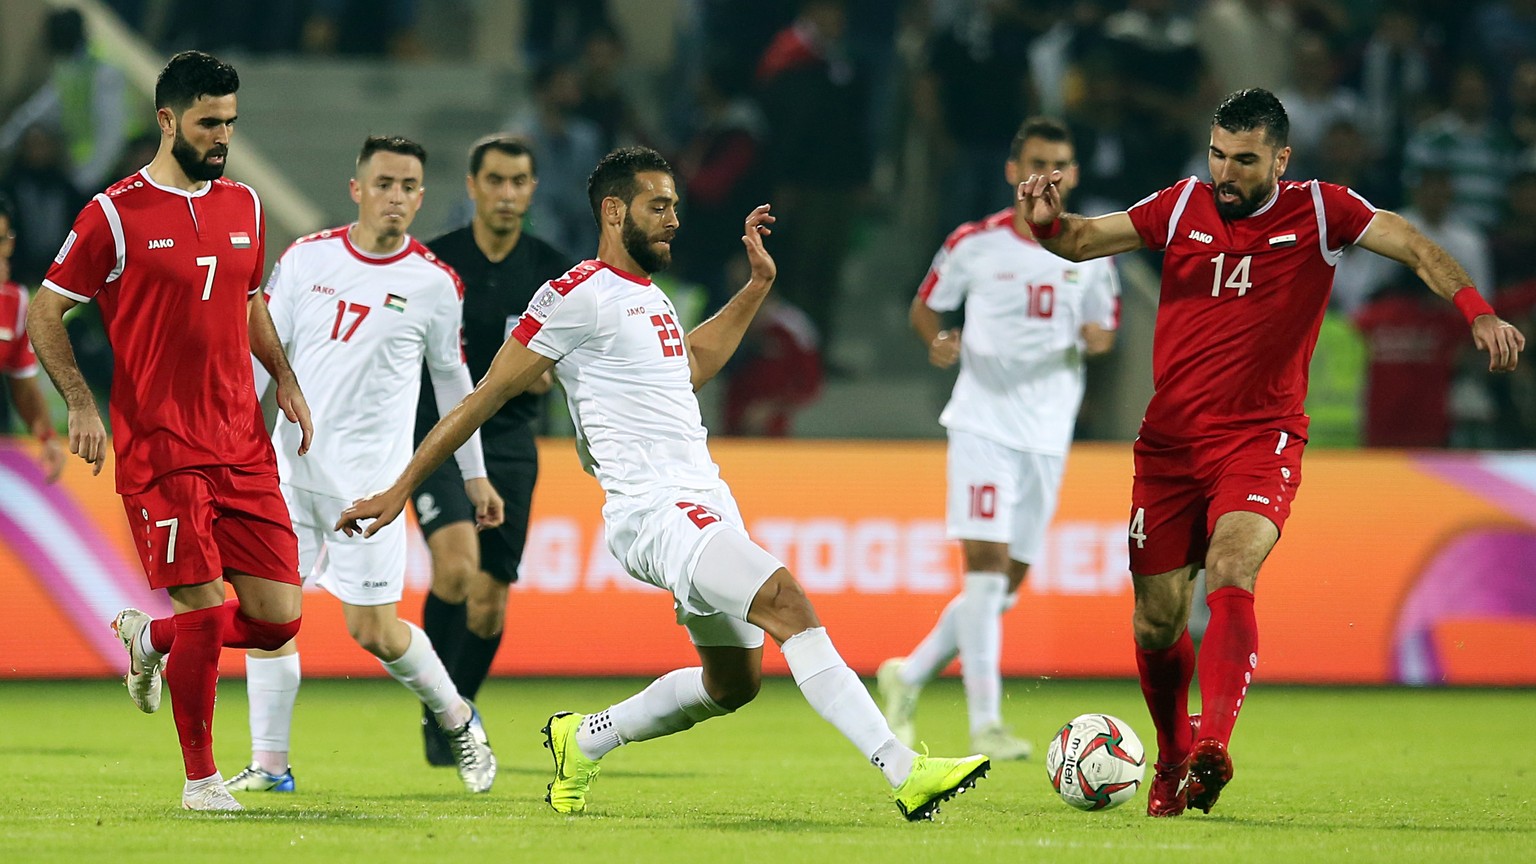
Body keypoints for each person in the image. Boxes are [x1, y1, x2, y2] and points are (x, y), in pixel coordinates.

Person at [337, 146, 990, 822]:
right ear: (614, 211)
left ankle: (584, 738)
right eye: (659, 205)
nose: (675, 218)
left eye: (675, 204)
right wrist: (398, 488)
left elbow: (691, 367)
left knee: (733, 685)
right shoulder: (574, 294)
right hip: (654, 511)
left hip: (704, 501)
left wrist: (756, 286)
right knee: (788, 601)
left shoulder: (649, 299)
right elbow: (478, 399)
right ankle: (904, 770)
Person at [1015, 88, 1526, 818]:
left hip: (1261, 438)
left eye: (1245, 160)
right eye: (1219, 154)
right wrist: (1044, 225)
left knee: (1231, 567)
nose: (1226, 172)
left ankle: (1213, 746)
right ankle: (1171, 756)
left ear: (1281, 159)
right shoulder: (1181, 204)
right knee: (1156, 623)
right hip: (1168, 447)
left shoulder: (1323, 210)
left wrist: (1475, 310)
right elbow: (1079, 240)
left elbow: (1414, 243)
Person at [27, 51, 314, 812]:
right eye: (208, 122)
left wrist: (283, 377)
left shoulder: (246, 206)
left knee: (278, 619)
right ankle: (201, 782)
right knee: (205, 610)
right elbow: (44, 311)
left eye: (230, 123)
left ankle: (147, 639)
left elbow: (250, 299)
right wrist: (82, 406)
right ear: (167, 119)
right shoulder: (115, 214)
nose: (222, 136)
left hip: (242, 443)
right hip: (162, 449)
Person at [227, 136, 501, 796]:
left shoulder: (434, 284)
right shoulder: (307, 259)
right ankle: (270, 764)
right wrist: (239, 444)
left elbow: (453, 385)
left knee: (373, 632)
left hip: (371, 492)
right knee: (270, 617)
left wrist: (474, 474)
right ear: (357, 190)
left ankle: (458, 717)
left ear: (421, 197)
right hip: (289, 479)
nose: (396, 197)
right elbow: (261, 353)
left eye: (409, 186)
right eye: (384, 184)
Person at [878, 117, 1119, 762]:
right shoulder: (974, 244)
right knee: (983, 574)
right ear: (1013, 172)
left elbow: (1105, 329)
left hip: (1048, 435)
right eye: (1037, 163)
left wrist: (1098, 341)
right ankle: (985, 722)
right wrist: (937, 339)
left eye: (1061, 164)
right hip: (983, 423)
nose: (1049, 176)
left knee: (1004, 588)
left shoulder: (1092, 249)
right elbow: (926, 305)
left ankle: (908, 673)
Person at [412, 136, 574, 767]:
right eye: (497, 181)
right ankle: (441, 709)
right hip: (441, 431)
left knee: (488, 602)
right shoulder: (435, 264)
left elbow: (579, 357)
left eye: (520, 182)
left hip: (510, 440)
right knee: (454, 569)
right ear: (474, 187)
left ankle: (454, 705)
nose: (508, 194)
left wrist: (552, 370)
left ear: (532, 190)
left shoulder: (556, 272)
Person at [0, 195, 66, 480]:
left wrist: (46, 436)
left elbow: (23, 386)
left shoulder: (15, 302)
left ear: (10, 244)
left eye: (0, 241)